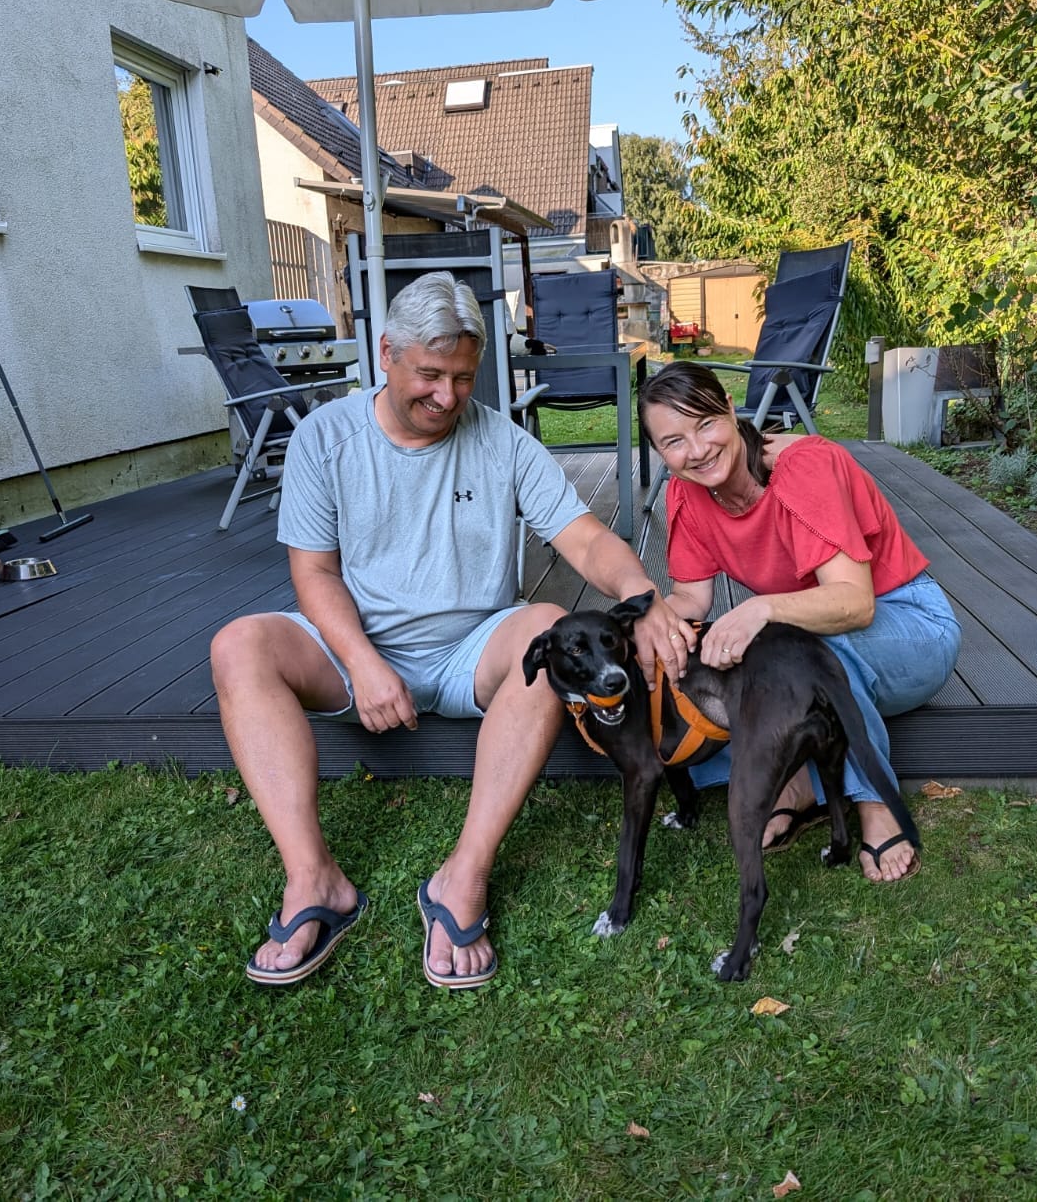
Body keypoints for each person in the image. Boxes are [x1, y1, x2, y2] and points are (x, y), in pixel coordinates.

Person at [211, 271, 693, 990]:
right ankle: (314, 880)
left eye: (463, 378)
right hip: (355, 644)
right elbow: (313, 573)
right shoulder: (324, 436)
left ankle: (462, 877)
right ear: (386, 354)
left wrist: (641, 596)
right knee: (238, 645)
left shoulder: (501, 441)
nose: (447, 396)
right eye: (430, 376)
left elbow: (586, 538)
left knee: (546, 627)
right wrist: (363, 662)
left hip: (474, 646)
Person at [637, 360, 962, 882]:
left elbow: (855, 605)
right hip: (814, 634)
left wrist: (760, 607)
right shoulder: (688, 492)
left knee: (804, 652)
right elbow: (691, 598)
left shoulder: (804, 467)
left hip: (910, 626)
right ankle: (798, 781)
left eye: (705, 424)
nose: (696, 451)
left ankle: (875, 802)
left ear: (729, 408)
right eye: (674, 441)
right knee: (731, 667)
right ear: (659, 451)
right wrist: (648, 627)